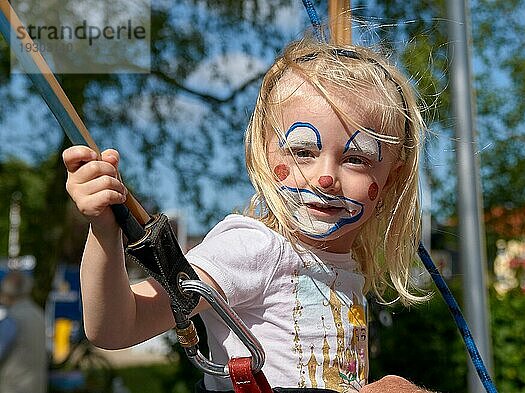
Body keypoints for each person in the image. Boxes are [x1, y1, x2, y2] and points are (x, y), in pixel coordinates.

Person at [63, 37, 435, 393]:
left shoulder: (346, 268)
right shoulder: (253, 248)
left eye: (356, 159)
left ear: (391, 180)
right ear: (265, 152)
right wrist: (104, 231)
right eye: (302, 151)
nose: (325, 178)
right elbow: (116, 327)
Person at [0, 271, 48, 393]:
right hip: (37, 386)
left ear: (6, 294)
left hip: (14, 387)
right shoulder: (39, 314)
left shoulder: (12, 319)